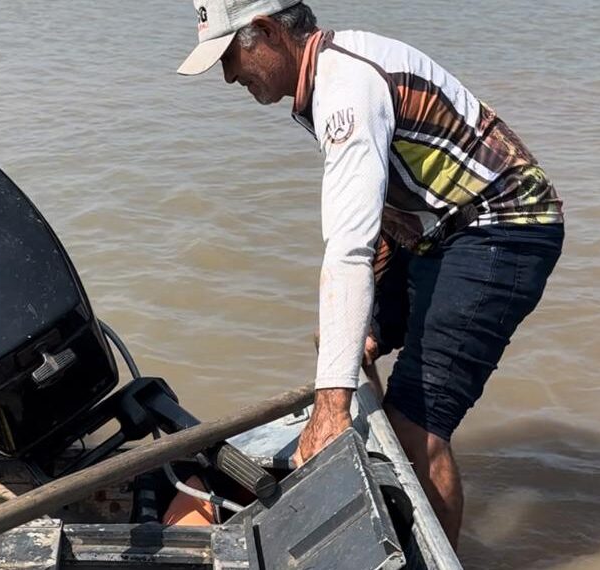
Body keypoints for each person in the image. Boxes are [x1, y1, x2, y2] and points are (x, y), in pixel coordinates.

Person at [177, 0, 563, 548]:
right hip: (433, 226)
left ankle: (421, 521)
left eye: (229, 58)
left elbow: (347, 249)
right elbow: (382, 200)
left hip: (503, 225)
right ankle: (379, 485)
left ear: (266, 32)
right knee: (342, 343)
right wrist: (353, 343)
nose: (228, 76)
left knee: (417, 425)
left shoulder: (346, 91)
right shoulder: (327, 76)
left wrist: (331, 407)